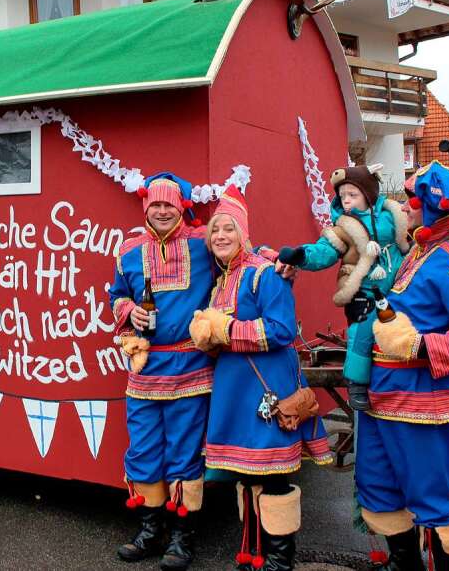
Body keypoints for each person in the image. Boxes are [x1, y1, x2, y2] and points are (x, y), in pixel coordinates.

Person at [357, 162, 449, 571]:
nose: (404, 208)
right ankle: (404, 564)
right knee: (379, 488)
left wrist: (420, 344)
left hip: (423, 402)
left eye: (411, 200)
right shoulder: (422, 249)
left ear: (433, 206)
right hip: (381, 395)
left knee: (432, 498)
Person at [190, 186, 332, 571]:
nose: (220, 236)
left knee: (273, 476)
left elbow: (281, 330)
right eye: (215, 230)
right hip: (234, 391)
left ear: (244, 234)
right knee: (245, 473)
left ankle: (279, 559)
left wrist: (226, 331)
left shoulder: (265, 274)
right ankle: (252, 552)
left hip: (266, 388)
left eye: (229, 229)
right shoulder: (221, 281)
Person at [108, 173, 213, 570]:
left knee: (185, 453)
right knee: (144, 449)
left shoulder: (203, 244)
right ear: (146, 207)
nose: (163, 210)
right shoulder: (128, 251)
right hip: (145, 368)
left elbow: (242, 252)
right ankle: (151, 532)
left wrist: (278, 264)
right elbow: (116, 295)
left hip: (191, 367)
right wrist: (128, 311)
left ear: (182, 206)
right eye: (156, 204)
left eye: (170, 204)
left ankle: (182, 537)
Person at [276, 165, 409, 410]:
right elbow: (325, 251)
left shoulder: (394, 216)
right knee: (362, 332)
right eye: (342, 196)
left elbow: (411, 237)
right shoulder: (343, 229)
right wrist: (302, 255)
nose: (346, 200)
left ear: (368, 195)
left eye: (352, 195)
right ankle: (356, 382)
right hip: (366, 291)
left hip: (401, 285)